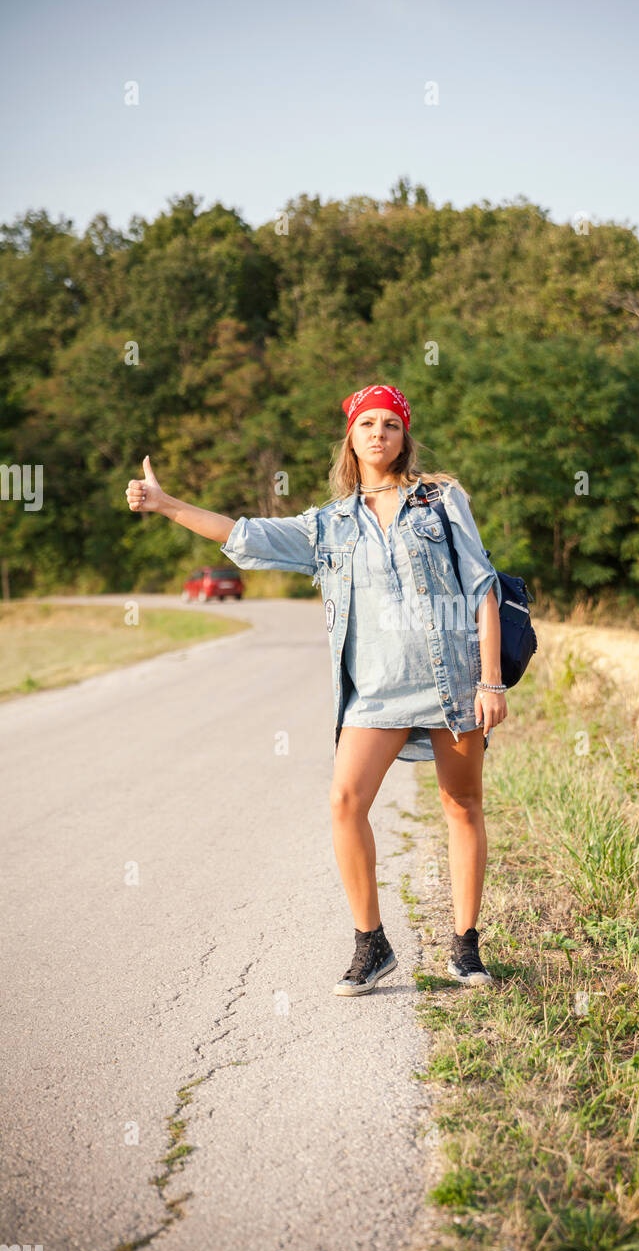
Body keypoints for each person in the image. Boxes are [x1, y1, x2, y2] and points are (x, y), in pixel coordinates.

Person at [125, 383, 507, 997]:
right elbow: (244, 536)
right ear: (351, 439)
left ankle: (465, 948)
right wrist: (168, 504)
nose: (378, 433)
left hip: (452, 683)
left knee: (462, 806)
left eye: (390, 424)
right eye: (367, 424)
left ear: (404, 436)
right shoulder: (327, 525)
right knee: (344, 802)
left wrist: (490, 681)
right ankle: (371, 943)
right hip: (374, 694)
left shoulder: (442, 501)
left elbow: (483, 587)